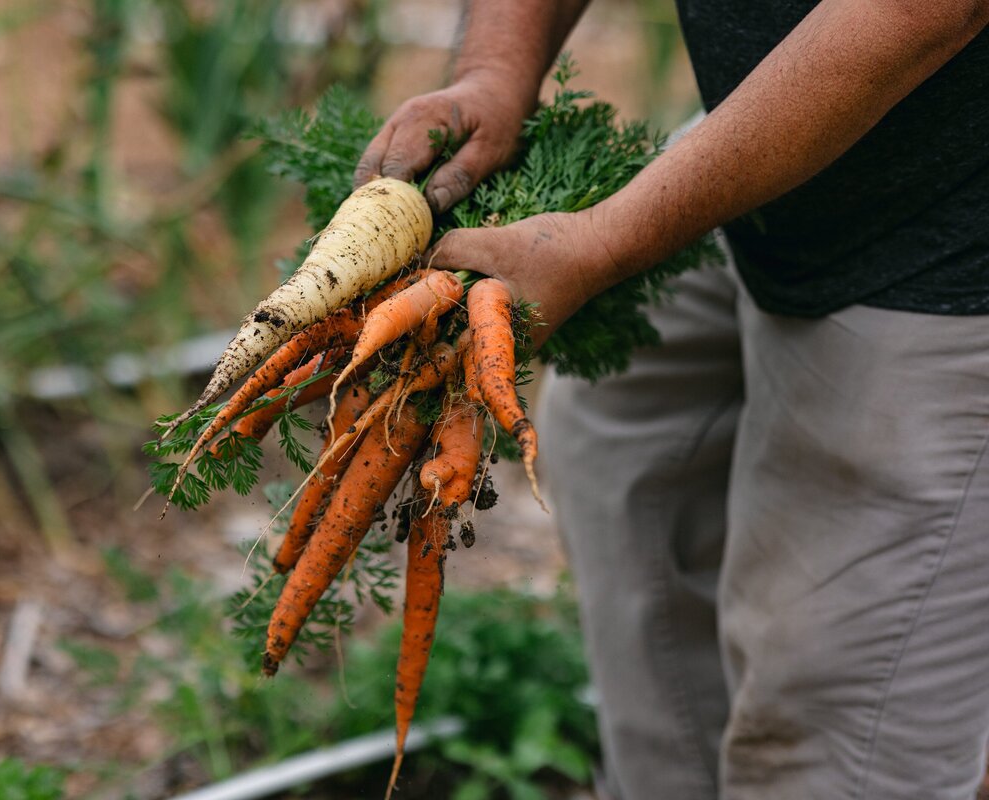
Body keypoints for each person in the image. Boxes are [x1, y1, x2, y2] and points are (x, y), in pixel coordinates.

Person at [355, 1, 989, 798]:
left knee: (828, 682)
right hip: (780, 132)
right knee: (622, 439)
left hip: (953, 238)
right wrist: (495, 72)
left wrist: (607, 239)